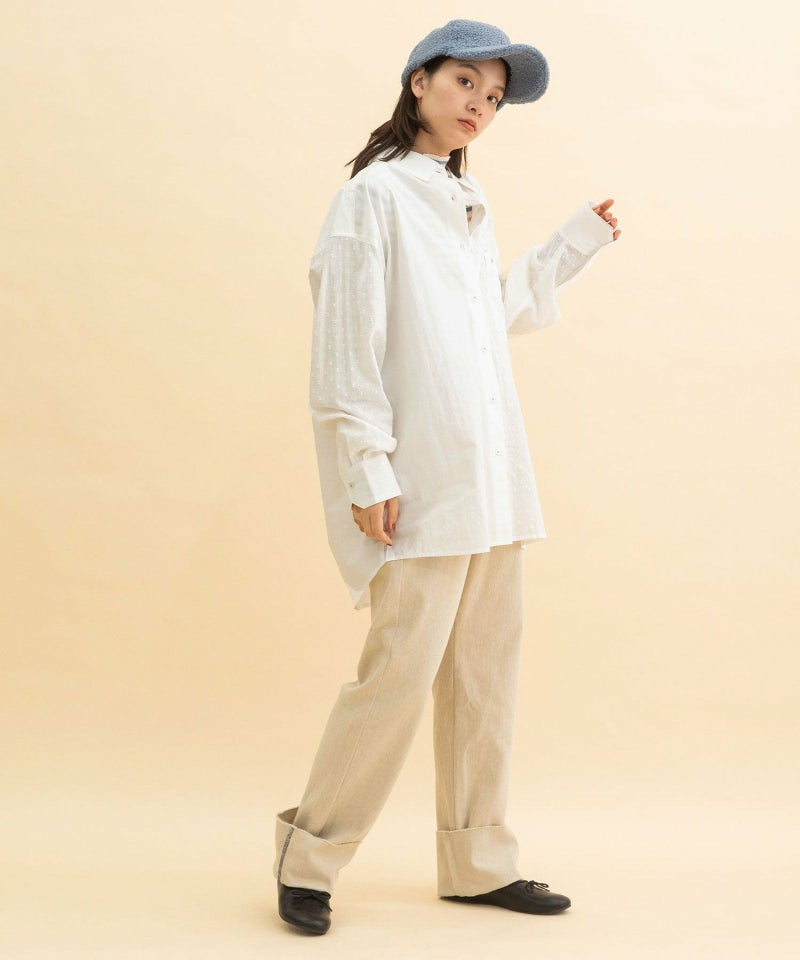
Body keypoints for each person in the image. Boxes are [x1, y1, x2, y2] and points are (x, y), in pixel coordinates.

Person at [274, 19, 622, 935]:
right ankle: (308, 858)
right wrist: (368, 468)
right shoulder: (373, 198)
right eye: (467, 82)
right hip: (422, 481)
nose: (480, 104)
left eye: (495, 96)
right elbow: (346, 344)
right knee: (396, 678)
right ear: (419, 80)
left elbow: (487, 319)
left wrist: (571, 245)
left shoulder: (466, 201)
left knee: (483, 680)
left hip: (493, 478)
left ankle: (477, 862)